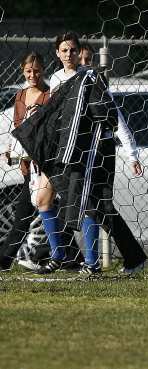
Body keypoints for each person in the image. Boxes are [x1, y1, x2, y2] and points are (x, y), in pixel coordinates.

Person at [18, 31, 146, 275]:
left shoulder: (90, 78)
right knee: (42, 198)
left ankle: (93, 263)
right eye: (64, 50)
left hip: (87, 151)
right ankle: (59, 255)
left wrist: (132, 154)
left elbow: (113, 115)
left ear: (79, 53)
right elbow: (49, 118)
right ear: (57, 53)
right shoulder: (55, 80)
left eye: (73, 50)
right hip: (59, 151)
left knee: (91, 204)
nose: (69, 54)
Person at [0, 51, 82, 271]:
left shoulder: (49, 95)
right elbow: (18, 129)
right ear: (22, 71)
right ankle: (72, 257)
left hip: (46, 162)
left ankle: (4, 261)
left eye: (36, 71)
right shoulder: (19, 97)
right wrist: (11, 151)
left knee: (27, 213)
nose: (32, 75)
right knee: (44, 207)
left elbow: (53, 129)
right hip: (28, 163)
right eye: (28, 71)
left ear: (43, 71)